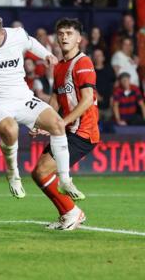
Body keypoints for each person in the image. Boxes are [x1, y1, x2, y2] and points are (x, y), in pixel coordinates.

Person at [0, 12, 83, 200]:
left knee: (58, 124)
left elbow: (32, 43)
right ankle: (13, 173)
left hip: (23, 98)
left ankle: (65, 180)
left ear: (2, 32)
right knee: (11, 130)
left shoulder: (17, 36)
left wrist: (47, 55)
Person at [30, 18, 99, 231]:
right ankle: (69, 213)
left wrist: (59, 123)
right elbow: (55, 100)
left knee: (42, 171)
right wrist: (44, 121)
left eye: (69, 33)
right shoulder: (60, 67)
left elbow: (87, 99)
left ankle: (72, 212)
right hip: (66, 130)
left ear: (79, 38)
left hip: (82, 132)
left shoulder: (83, 63)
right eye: (61, 33)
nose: (64, 37)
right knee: (38, 173)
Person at [93, 49, 115, 122]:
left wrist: (112, 99)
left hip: (108, 106)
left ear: (103, 58)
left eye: (99, 55)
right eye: (95, 55)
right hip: (95, 107)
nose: (97, 57)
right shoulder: (90, 70)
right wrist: (95, 94)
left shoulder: (109, 69)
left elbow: (114, 84)